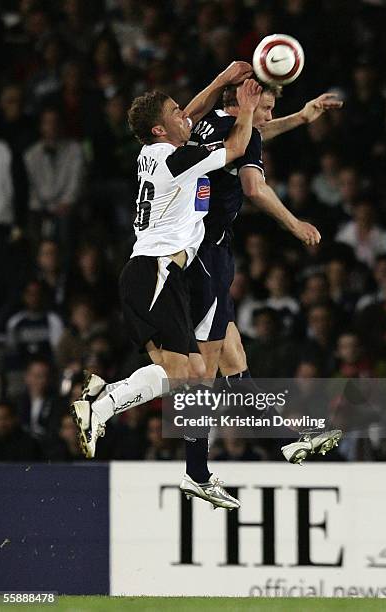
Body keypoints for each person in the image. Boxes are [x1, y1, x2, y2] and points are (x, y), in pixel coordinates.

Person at [72, 62, 262, 511]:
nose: (187, 116)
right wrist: (247, 110)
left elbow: (189, 118)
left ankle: (193, 471)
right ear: (160, 128)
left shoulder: (158, 151)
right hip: (154, 273)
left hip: (160, 276)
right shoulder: (172, 157)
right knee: (189, 378)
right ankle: (105, 404)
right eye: (177, 112)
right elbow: (235, 147)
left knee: (196, 377)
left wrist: (217, 82)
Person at [186, 81, 343, 463]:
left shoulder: (209, 123)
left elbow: (255, 132)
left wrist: (302, 118)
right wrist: (294, 223)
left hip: (195, 250)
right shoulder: (241, 133)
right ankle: (193, 460)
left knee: (234, 359)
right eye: (265, 108)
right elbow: (254, 187)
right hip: (205, 256)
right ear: (245, 104)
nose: (269, 117)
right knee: (201, 371)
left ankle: (286, 438)